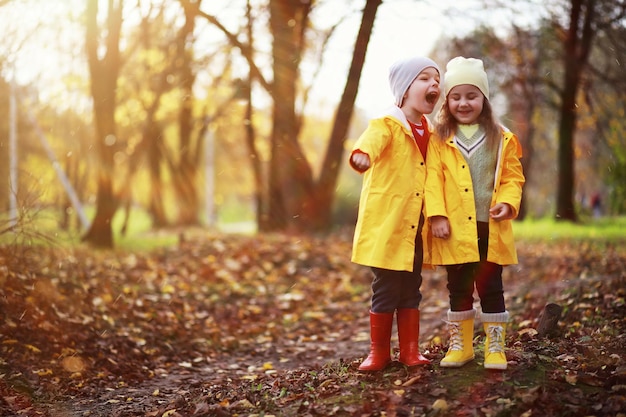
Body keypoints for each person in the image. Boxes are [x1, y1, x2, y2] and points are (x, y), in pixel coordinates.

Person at [424, 56, 525, 370]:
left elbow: (512, 176)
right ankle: (461, 346)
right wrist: (437, 215)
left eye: (471, 96)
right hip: (454, 228)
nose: (463, 103)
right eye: (456, 96)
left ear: (484, 98)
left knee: (491, 286)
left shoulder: (501, 137)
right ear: (447, 101)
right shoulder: (439, 139)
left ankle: (495, 347)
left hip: (489, 226)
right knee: (458, 286)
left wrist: (508, 202)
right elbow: (432, 180)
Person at [349, 56, 441, 371]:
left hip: (416, 225)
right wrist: (362, 155)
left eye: (436, 80)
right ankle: (378, 352)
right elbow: (371, 142)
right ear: (404, 89)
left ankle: (410, 350)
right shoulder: (387, 123)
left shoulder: (432, 131)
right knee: (386, 286)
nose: (434, 85)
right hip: (389, 224)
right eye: (424, 79)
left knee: (411, 287)